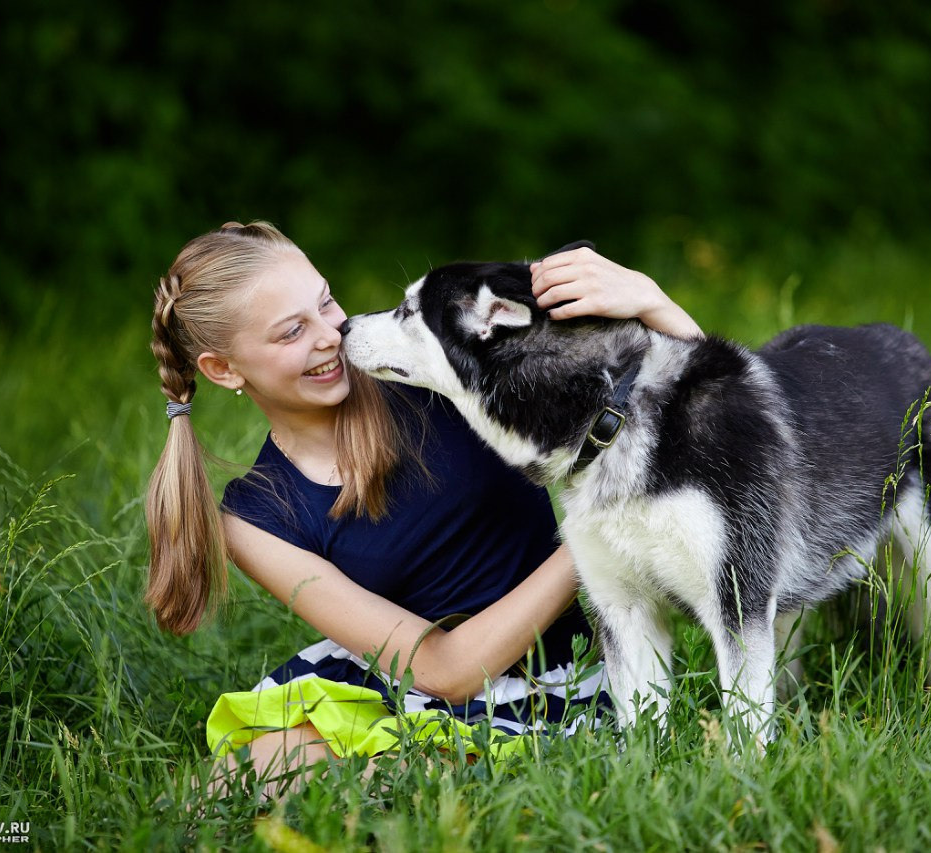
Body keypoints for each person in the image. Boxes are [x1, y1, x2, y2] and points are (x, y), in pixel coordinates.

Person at [144, 221, 701, 800]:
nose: (330, 335)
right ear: (223, 369)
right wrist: (593, 538)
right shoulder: (256, 516)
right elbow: (444, 671)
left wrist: (651, 302)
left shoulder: (431, 365)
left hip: (550, 677)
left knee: (426, 782)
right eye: (291, 332)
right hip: (416, 679)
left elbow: (699, 423)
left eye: (325, 301)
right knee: (243, 780)